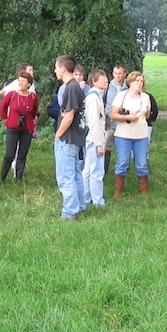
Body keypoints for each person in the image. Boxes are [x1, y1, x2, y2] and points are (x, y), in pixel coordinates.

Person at [53, 55, 86, 219]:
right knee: (75, 173)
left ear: (63, 68)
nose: (55, 71)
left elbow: (69, 115)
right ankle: (79, 206)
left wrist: (58, 135)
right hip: (74, 137)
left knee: (66, 177)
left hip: (68, 137)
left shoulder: (71, 88)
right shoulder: (73, 86)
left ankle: (70, 212)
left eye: (56, 67)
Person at [111, 71, 151, 197]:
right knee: (122, 162)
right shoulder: (121, 96)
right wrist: (128, 117)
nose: (139, 83)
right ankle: (118, 192)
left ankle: (144, 191)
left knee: (142, 163)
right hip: (123, 134)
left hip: (141, 135)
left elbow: (147, 114)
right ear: (130, 82)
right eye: (136, 81)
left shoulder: (145, 97)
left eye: (141, 81)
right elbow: (113, 114)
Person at [0, 71, 39, 182]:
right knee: (10, 154)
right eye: (19, 81)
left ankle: (19, 178)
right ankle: (2, 178)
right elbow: (2, 107)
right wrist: (5, 119)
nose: (21, 83)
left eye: (23, 81)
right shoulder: (12, 95)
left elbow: (34, 111)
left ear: (29, 84)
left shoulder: (34, 97)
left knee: (22, 154)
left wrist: (32, 124)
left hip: (26, 129)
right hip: (13, 128)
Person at [82, 69, 108, 205]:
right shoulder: (92, 97)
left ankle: (86, 197)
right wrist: (99, 144)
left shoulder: (96, 96)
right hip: (94, 139)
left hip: (92, 138)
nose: (106, 81)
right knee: (96, 170)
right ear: (94, 81)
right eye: (102, 78)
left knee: (88, 169)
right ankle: (98, 201)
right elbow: (93, 122)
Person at [103, 65, 127, 173]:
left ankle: (122, 169)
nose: (118, 76)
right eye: (115, 73)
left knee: (123, 145)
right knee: (107, 145)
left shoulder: (128, 87)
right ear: (113, 74)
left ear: (124, 74)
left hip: (123, 120)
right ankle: (104, 170)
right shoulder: (107, 86)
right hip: (109, 120)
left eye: (120, 73)